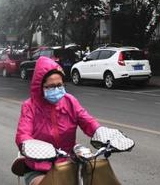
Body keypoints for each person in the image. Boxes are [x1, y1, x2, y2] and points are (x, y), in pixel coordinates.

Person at [15, 56, 100, 185]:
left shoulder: (70, 101)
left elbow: (87, 120)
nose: (56, 89)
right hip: (38, 167)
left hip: (69, 162)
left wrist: (101, 131)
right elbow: (22, 134)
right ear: (40, 87)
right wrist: (33, 147)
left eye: (59, 85)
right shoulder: (29, 106)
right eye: (51, 86)